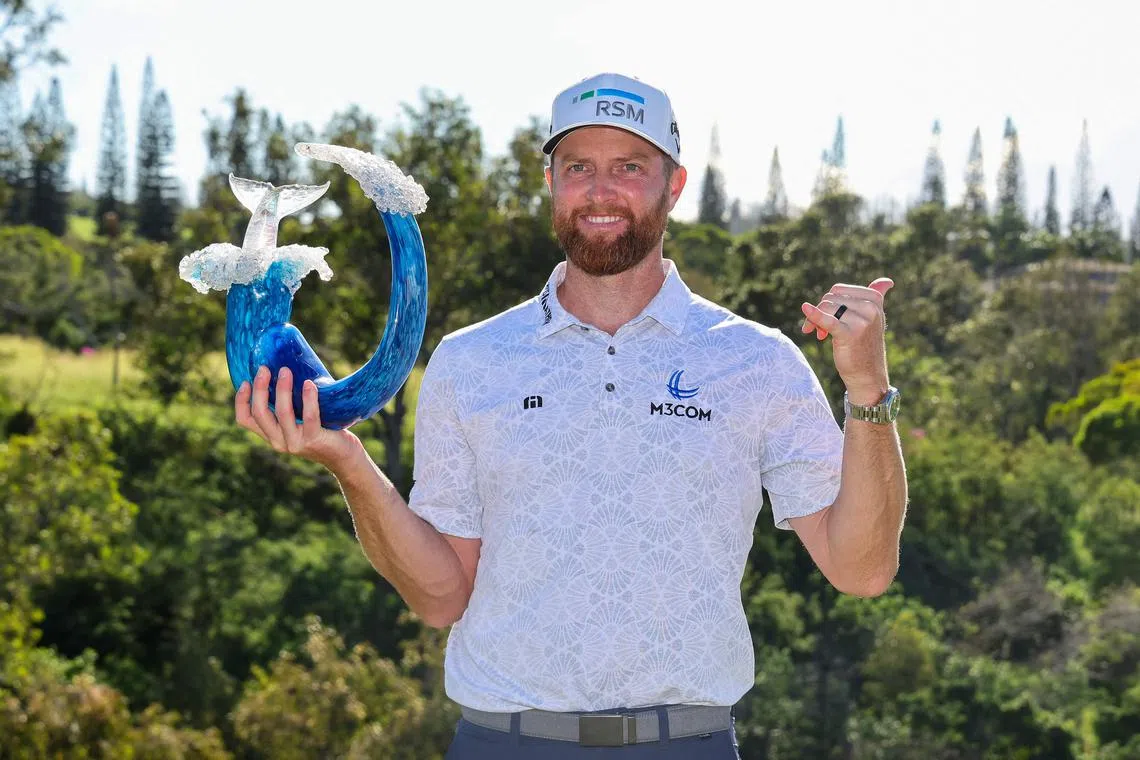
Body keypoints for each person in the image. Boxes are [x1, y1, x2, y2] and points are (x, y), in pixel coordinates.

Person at [234, 72, 908, 759]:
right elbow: (441, 598)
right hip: (503, 742)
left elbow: (862, 570)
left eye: (629, 167)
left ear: (673, 186)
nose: (600, 190)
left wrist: (868, 392)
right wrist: (346, 459)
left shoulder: (756, 362)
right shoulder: (472, 362)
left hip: (685, 745)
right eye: (579, 166)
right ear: (551, 180)